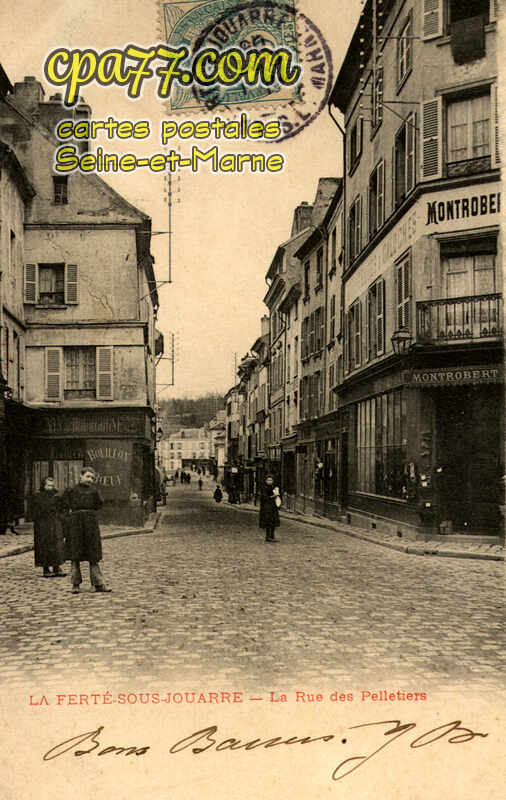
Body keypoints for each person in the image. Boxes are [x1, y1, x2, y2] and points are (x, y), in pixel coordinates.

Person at [62, 467, 112, 594]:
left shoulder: (94, 491)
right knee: (75, 554)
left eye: (92, 478)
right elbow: (61, 503)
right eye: (88, 476)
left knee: (93, 554)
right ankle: (75, 584)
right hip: (75, 523)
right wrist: (67, 518)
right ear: (81, 476)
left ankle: (98, 583)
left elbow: (99, 504)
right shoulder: (71, 490)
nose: (90, 479)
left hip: (90, 523)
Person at [32, 477, 66, 578]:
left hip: (55, 522)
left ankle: (57, 567)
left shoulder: (57, 495)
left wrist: (61, 518)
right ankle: (45, 568)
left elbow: (62, 507)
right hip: (43, 523)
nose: (50, 488)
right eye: (48, 485)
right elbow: (35, 510)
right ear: (43, 485)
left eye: (52, 485)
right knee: (44, 544)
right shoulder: (38, 496)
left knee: (57, 544)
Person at [259, 475, 281, 542]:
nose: (269, 482)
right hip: (267, 507)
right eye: (268, 480)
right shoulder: (264, 488)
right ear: (266, 481)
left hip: (273, 507)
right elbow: (264, 498)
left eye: (271, 480)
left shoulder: (274, 487)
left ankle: (272, 535)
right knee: (268, 521)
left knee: (273, 521)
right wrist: (273, 496)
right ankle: (268, 536)